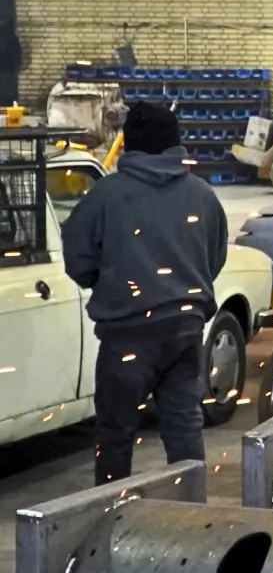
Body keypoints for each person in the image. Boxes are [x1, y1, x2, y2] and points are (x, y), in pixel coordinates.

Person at [60, 101, 228, 485]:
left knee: (115, 434)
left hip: (128, 333)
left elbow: (78, 259)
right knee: (184, 428)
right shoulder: (202, 195)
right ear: (175, 141)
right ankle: (194, 510)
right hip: (185, 328)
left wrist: (111, 284)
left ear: (130, 142)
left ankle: (115, 510)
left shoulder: (106, 195)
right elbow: (213, 259)